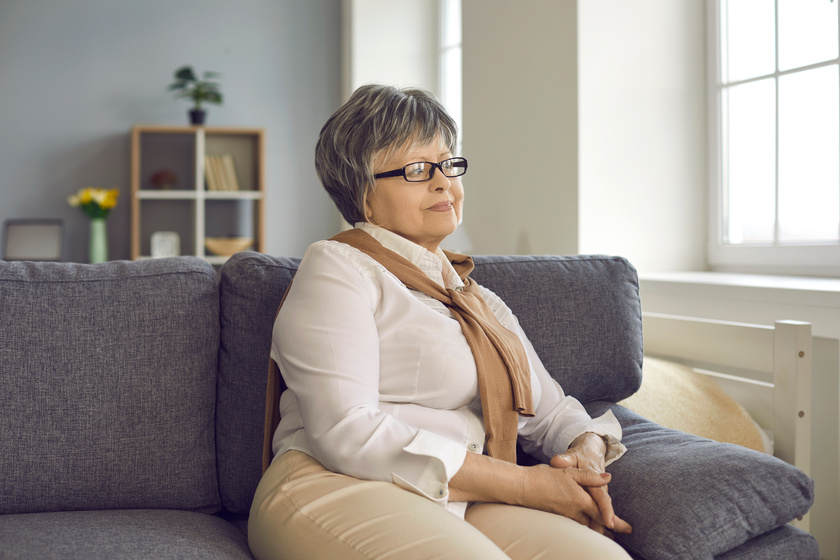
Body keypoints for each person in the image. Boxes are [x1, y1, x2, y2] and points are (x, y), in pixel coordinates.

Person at [249, 84, 633, 560]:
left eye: (448, 164)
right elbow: (347, 431)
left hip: (459, 497)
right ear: (362, 195)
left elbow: (550, 413)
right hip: (334, 482)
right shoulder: (338, 267)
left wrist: (586, 454)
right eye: (416, 169)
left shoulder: (479, 301)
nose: (442, 183)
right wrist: (527, 484)